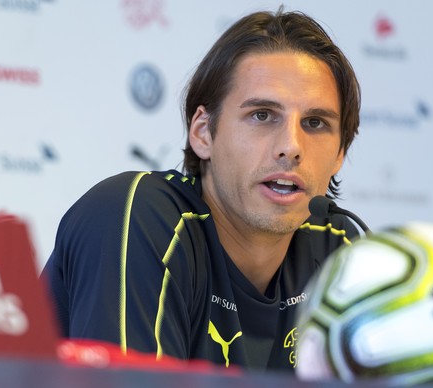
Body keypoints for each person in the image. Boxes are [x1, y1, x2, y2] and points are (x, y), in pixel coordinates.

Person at [41, 6, 362, 372]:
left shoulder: (338, 249)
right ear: (203, 133)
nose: (291, 146)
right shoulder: (137, 218)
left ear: (340, 153)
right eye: (262, 115)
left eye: (315, 122)